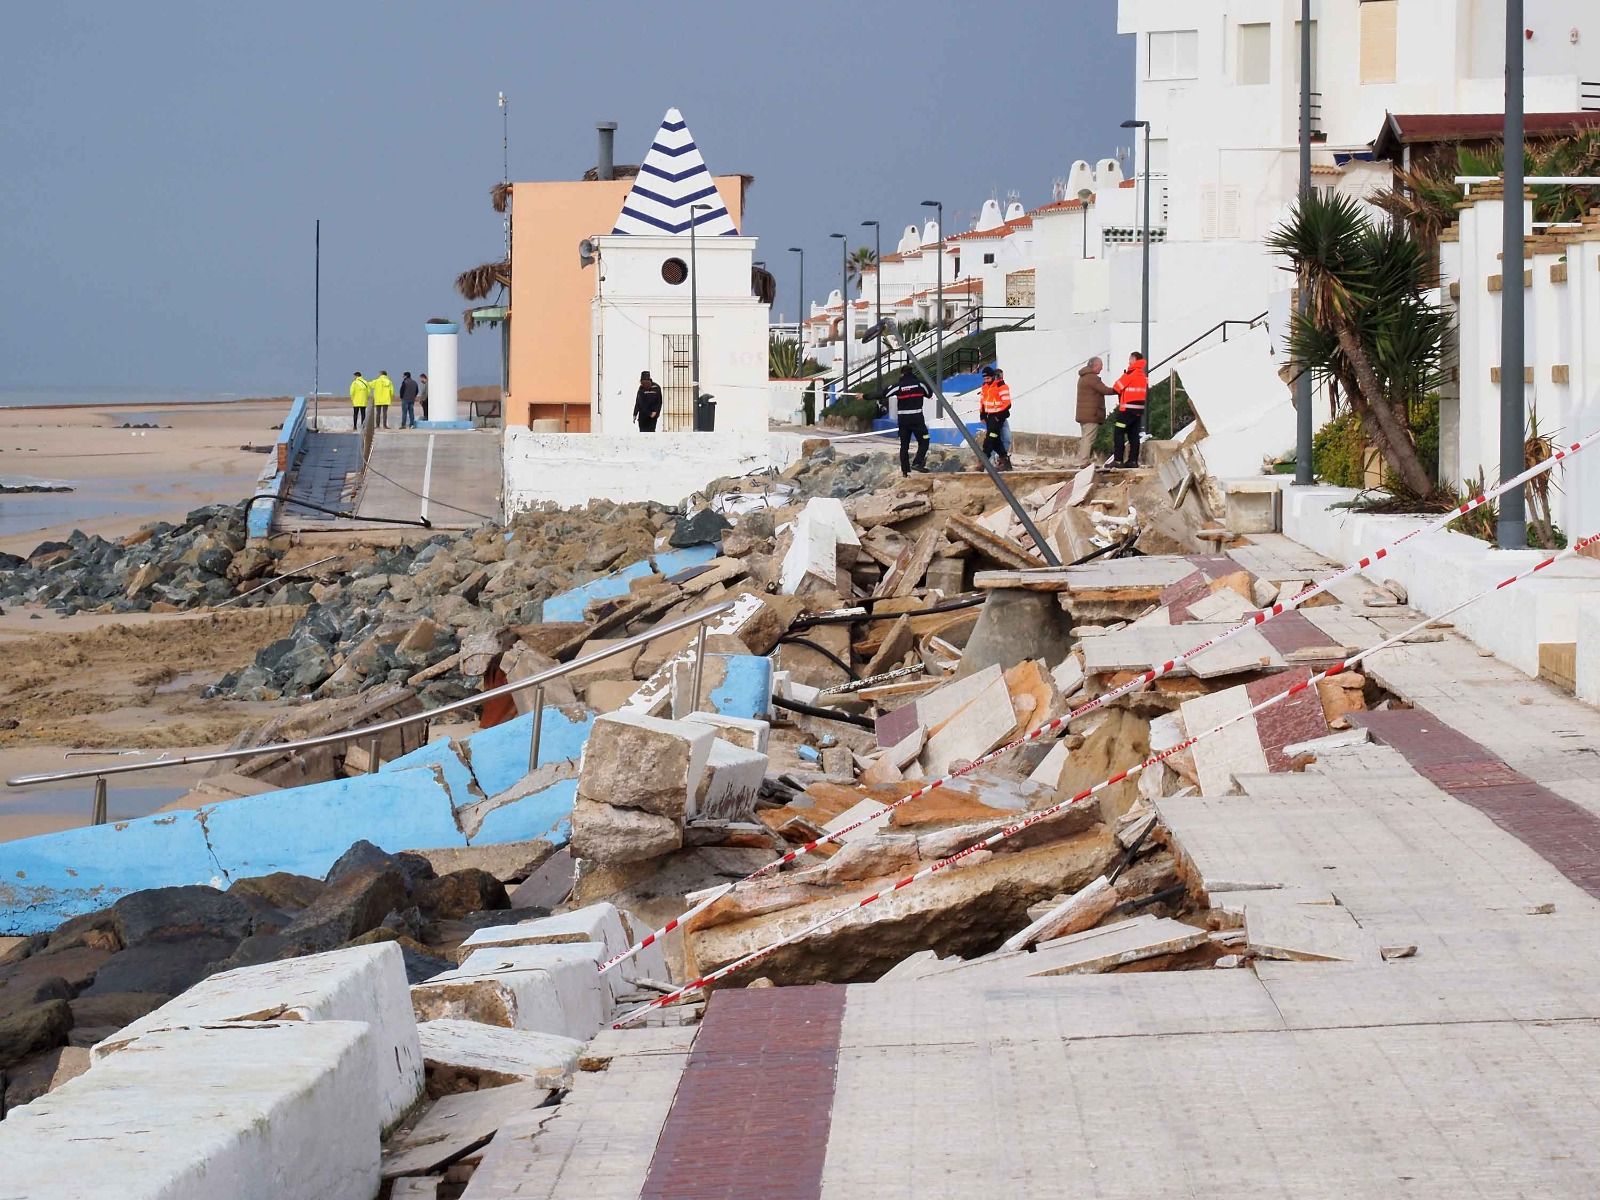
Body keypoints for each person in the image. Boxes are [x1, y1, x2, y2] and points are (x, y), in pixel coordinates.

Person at [888, 365, 931, 477]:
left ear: (902, 374)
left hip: (903, 421)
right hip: (917, 419)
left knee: (904, 445)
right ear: (912, 373)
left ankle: (905, 472)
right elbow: (929, 394)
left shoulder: (898, 386)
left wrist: (865, 396)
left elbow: (884, 394)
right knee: (925, 440)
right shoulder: (920, 384)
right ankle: (917, 463)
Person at [1075, 357, 1118, 466]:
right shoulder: (1092, 378)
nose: (1102, 368)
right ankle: (1083, 461)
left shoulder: (1083, 377)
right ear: (1094, 365)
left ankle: (1082, 459)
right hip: (1091, 414)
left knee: (1085, 438)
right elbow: (1104, 390)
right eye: (1100, 366)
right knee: (1089, 438)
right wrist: (1119, 389)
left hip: (1083, 414)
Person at [1112, 351, 1149, 468]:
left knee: (1118, 432)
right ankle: (1133, 461)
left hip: (1126, 410)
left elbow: (1117, 387)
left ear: (1134, 359)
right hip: (1138, 411)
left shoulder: (1131, 373)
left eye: (1130, 359)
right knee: (1133, 435)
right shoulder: (1143, 375)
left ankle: (1118, 460)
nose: (1128, 362)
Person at [979, 365, 1013, 470]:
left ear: (993, 376)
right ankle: (1004, 461)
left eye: (988, 378)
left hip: (998, 417)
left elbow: (1007, 403)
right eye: (985, 378)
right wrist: (982, 414)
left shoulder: (1001, 386)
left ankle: (983, 460)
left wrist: (999, 417)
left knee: (991, 438)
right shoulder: (985, 387)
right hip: (990, 417)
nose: (986, 380)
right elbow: (982, 402)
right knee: (996, 440)